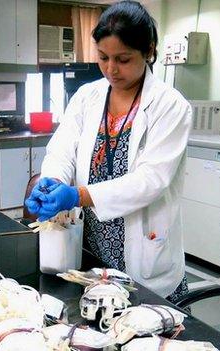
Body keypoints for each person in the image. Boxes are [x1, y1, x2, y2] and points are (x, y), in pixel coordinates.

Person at [25, 1, 192, 303]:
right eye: (103, 58)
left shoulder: (170, 106)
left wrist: (77, 195)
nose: (111, 69)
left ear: (149, 51)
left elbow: (151, 179)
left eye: (123, 59)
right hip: (90, 248)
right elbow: (62, 149)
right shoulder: (88, 96)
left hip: (143, 256)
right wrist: (51, 181)